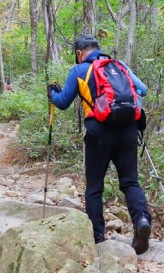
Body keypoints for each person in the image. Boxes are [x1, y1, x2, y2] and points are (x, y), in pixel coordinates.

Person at [48, 34, 152, 254]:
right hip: (127, 129)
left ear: (79, 53)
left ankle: (98, 238)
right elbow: (142, 89)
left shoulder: (79, 71)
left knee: (94, 187)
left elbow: (63, 103)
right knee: (130, 182)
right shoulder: (118, 65)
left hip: (99, 132)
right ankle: (142, 220)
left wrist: (52, 94)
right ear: (97, 48)